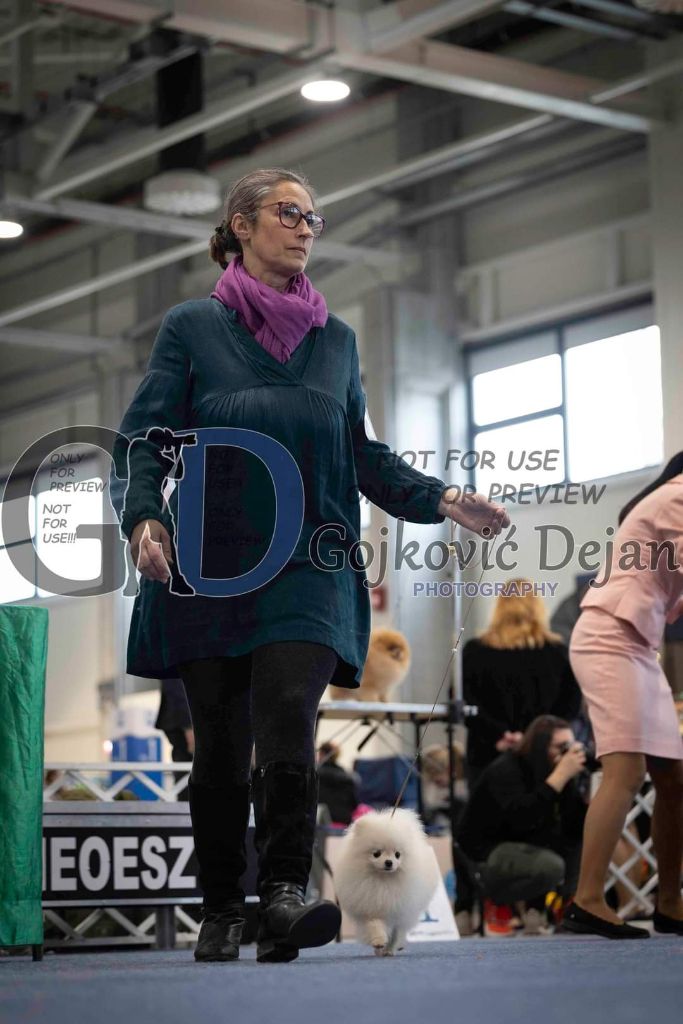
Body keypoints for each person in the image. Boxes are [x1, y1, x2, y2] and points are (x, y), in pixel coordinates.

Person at [108, 167, 509, 964]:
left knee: (289, 719)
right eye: (289, 214)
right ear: (243, 226)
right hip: (208, 571)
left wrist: (441, 499)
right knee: (219, 750)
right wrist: (144, 516)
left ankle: (285, 892)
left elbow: (360, 454)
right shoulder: (192, 327)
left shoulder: (338, 342)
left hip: (308, 566)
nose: (304, 228)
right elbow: (145, 439)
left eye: (313, 218)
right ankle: (222, 906)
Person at [564, 453, 683, 939]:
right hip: (608, 637)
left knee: (674, 779)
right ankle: (587, 900)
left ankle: (670, 901)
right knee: (627, 770)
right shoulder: (678, 497)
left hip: (639, 644)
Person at [457, 715, 588, 934]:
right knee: (551, 866)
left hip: (526, 847)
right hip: (486, 854)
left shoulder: (556, 771)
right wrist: (558, 778)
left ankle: (570, 909)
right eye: (561, 747)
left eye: (571, 746)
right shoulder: (507, 769)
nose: (568, 754)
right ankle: (498, 900)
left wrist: (574, 786)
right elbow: (521, 821)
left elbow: (574, 827)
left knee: (582, 840)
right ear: (539, 746)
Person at [463, 579, 583, 789]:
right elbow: (570, 707)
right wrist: (532, 738)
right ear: (538, 608)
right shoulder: (558, 653)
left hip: (488, 755)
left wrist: (502, 736)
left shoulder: (474, 651)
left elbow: (467, 704)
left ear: (499, 608)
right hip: (545, 755)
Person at [315, 741, 360, 826]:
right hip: (344, 821)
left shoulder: (315, 774)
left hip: (322, 821)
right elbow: (355, 805)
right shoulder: (348, 777)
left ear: (321, 754)